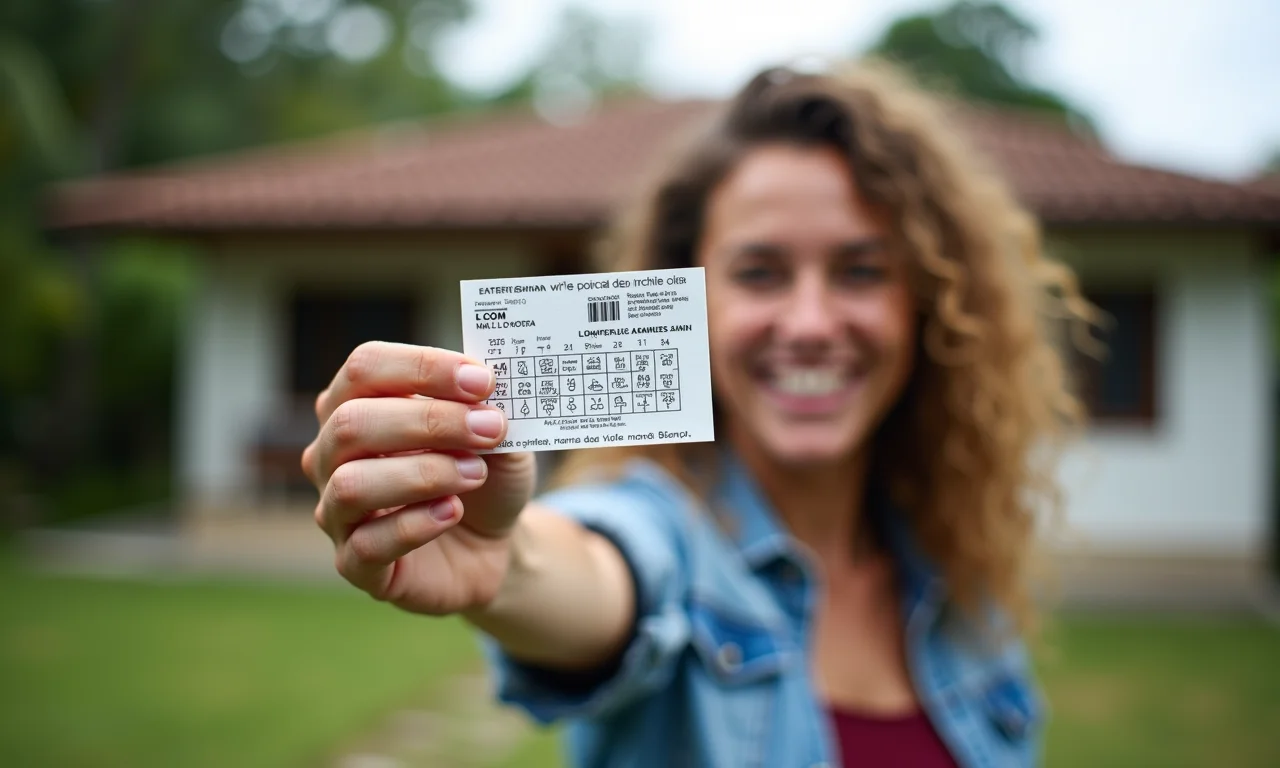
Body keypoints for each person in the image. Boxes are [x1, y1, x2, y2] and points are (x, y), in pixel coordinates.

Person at [301, 61, 1091, 768]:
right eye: (760, 271)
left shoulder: (958, 580)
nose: (811, 322)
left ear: (924, 303)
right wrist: (508, 566)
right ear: (692, 300)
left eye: (860, 270)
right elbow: (606, 568)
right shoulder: (659, 528)